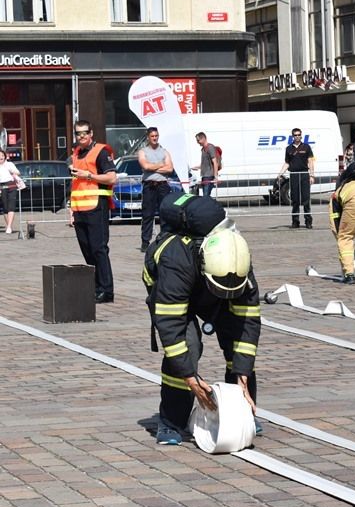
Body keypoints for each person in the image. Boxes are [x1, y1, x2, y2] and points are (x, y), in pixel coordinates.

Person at [143, 192, 261, 446]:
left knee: (236, 342)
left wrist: (242, 372)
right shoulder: (176, 261)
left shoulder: (239, 260)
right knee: (189, 345)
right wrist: (189, 377)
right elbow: (170, 327)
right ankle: (171, 422)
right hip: (171, 290)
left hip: (209, 284)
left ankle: (243, 411)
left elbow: (248, 324)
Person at [69, 120, 117, 303]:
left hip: (97, 207)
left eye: (84, 133)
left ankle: (107, 290)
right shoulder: (76, 153)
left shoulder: (101, 152)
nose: (81, 136)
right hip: (80, 208)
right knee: (87, 250)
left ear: (91, 133)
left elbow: (112, 178)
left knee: (99, 249)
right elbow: (75, 185)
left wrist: (88, 175)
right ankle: (96, 287)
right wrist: (71, 209)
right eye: (78, 133)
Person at [139, 126, 175, 252]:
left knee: (164, 213)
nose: (155, 138)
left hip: (163, 185)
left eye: (156, 136)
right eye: (152, 136)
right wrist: (160, 165)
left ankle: (164, 238)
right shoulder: (143, 151)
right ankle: (145, 241)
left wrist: (152, 167)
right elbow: (145, 166)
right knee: (147, 214)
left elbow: (170, 169)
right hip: (149, 185)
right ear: (148, 137)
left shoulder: (164, 151)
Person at [279, 127, 315, 229]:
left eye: (299, 135)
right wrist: (280, 173)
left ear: (301, 135)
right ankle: (295, 221)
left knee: (306, 199)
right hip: (294, 174)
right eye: (295, 135)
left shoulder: (306, 147)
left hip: (304, 174)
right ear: (292, 136)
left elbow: (311, 161)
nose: (297, 136)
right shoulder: (288, 149)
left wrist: (312, 175)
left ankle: (308, 221)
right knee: (295, 199)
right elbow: (287, 163)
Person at [0, 150, 24, 234]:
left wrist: (13, 171)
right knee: (5, 207)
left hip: (11, 186)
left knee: (11, 206)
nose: (1, 157)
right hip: (2, 187)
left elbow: (18, 172)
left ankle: (9, 226)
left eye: (2, 155)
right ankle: (8, 226)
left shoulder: (9, 164)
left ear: (5, 156)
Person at [193, 132, 220, 198]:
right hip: (204, 176)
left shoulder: (210, 147)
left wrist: (216, 177)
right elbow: (205, 163)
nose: (197, 142)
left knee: (206, 196)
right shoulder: (203, 149)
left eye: (198, 140)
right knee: (206, 196)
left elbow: (215, 162)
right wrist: (197, 167)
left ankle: (209, 207)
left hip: (209, 176)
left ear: (203, 138)